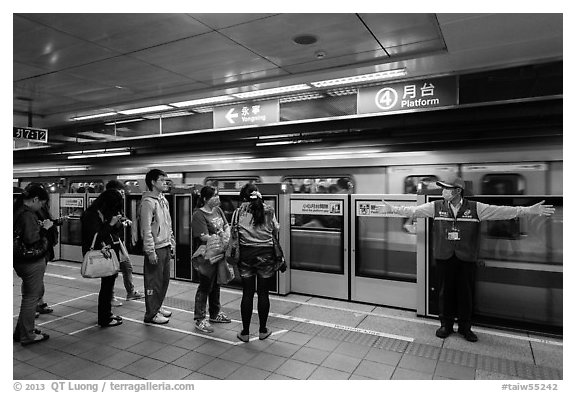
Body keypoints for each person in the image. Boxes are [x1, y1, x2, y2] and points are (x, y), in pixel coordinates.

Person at [380, 175, 555, 342]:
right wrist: (393, 209)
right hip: (444, 257)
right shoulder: (436, 207)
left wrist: (528, 211)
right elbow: (413, 211)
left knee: (466, 294)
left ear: (457, 191)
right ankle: (445, 326)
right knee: (445, 293)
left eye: (446, 189)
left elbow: (502, 211)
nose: (443, 192)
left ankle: (465, 328)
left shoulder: (476, 208)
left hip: (466, 259)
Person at [235, 183, 281, 342]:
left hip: (246, 255)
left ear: (244, 197)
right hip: (266, 255)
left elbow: (235, 232)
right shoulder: (269, 210)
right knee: (263, 293)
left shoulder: (238, 212)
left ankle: (245, 332)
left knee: (247, 293)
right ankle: (262, 330)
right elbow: (276, 229)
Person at [13, 184, 52, 345]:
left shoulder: (17, 210)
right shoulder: (28, 215)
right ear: (35, 199)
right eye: (41, 203)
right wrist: (45, 229)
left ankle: (21, 331)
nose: (41, 206)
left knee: (28, 296)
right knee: (31, 298)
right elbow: (32, 239)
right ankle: (27, 335)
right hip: (31, 261)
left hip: (20, 260)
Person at [81, 190, 125, 328]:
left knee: (108, 285)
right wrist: (110, 224)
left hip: (108, 253)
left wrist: (117, 224)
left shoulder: (102, 213)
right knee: (106, 287)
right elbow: (96, 236)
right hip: (100, 254)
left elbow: (109, 233)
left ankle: (107, 313)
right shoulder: (91, 215)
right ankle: (104, 318)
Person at [192, 185, 231, 333]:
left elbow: (226, 225)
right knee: (205, 286)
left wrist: (225, 234)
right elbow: (203, 236)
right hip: (206, 256)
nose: (218, 198)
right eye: (214, 196)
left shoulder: (218, 210)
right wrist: (220, 237)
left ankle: (215, 313)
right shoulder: (198, 215)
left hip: (219, 253)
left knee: (216, 284)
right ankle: (200, 318)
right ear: (205, 199)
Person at [139, 169, 175, 324]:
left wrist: (171, 242)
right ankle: (151, 314)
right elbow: (146, 229)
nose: (165, 183)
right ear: (153, 182)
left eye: (166, 180)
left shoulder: (163, 200)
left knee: (163, 280)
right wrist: (150, 251)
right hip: (156, 247)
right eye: (162, 180)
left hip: (165, 245)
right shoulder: (148, 202)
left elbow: (169, 224)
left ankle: (157, 306)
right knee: (153, 281)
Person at [105, 180, 144, 306]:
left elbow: (121, 217)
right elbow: (107, 225)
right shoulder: (105, 206)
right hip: (109, 242)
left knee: (127, 266)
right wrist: (120, 223)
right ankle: (110, 297)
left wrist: (125, 220)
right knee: (112, 271)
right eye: (120, 191)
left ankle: (130, 292)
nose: (122, 194)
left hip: (118, 240)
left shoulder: (117, 204)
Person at [36, 200, 67, 315]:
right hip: (37, 250)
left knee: (38, 278)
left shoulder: (42, 210)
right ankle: (35, 306)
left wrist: (57, 222)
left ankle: (39, 303)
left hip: (45, 247)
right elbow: (34, 234)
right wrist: (46, 227)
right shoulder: (29, 214)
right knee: (35, 280)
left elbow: (48, 223)